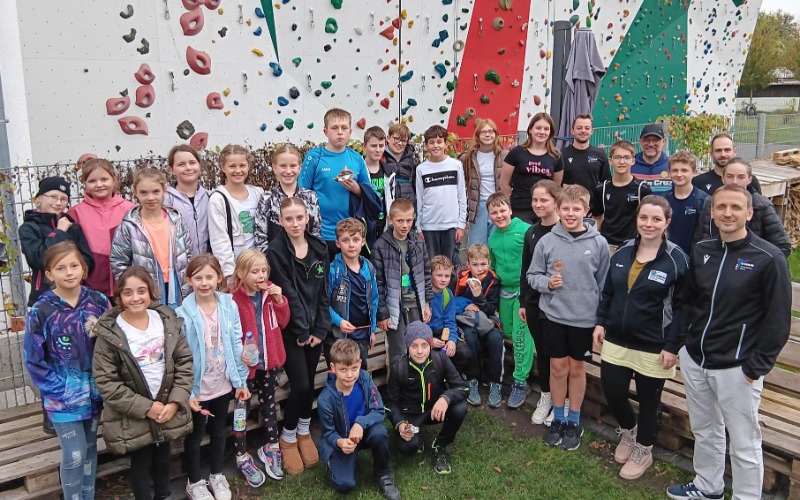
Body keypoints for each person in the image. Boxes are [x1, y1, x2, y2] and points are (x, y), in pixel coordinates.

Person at [666, 185, 791, 500]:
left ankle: (746, 496)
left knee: (744, 441)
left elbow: (778, 321)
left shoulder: (769, 258)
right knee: (705, 430)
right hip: (697, 359)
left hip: (737, 368)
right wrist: (682, 345)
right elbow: (689, 303)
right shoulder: (703, 249)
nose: (727, 213)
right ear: (712, 212)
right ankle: (708, 486)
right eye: (721, 207)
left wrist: (754, 368)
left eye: (736, 207)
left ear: (749, 213)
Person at [593, 196, 689, 480]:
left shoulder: (676, 259)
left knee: (649, 401)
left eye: (656, 219)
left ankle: (643, 450)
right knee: (613, 391)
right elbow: (608, 291)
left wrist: (672, 345)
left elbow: (683, 308)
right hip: (616, 340)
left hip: (654, 346)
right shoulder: (623, 251)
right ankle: (628, 431)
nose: (649, 224)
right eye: (644, 218)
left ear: (667, 222)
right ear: (637, 219)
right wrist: (600, 322)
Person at [93, 266, 193, 500]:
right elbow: (107, 382)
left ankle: (164, 495)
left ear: (151, 292)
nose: (135, 297)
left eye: (141, 291)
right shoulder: (111, 334)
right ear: (118, 297)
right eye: (128, 293)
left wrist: (176, 401)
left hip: (167, 404)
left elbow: (184, 363)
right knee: (141, 461)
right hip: (135, 412)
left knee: (164, 456)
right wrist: (147, 408)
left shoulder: (166, 322)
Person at [24, 242, 111, 500]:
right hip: (62, 399)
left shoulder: (99, 302)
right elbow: (33, 358)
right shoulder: (41, 310)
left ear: (83, 269)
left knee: (90, 448)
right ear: (49, 274)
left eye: (74, 265)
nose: (69, 272)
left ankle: (88, 495)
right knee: (74, 454)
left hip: (95, 393)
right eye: (60, 268)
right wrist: (59, 389)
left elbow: (111, 346)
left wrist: (105, 384)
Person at [528, 184, 610, 451]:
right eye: (566, 208)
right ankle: (558, 419)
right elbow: (532, 275)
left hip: (583, 319)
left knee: (576, 369)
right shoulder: (547, 241)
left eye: (577, 209)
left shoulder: (598, 243)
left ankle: (574, 420)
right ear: (558, 209)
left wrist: (600, 319)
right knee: (557, 368)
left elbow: (604, 285)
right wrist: (546, 284)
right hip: (554, 316)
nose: (571, 213)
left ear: (587, 210)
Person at [177, 254, 252, 498]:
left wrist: (240, 381)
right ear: (189, 280)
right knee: (196, 434)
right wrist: (188, 392)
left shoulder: (229, 305)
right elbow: (181, 355)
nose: (204, 282)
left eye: (209, 276)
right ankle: (195, 481)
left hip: (222, 382)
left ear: (219, 277)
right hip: (198, 387)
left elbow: (237, 343)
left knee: (219, 430)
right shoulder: (183, 313)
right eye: (198, 278)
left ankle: (217, 475)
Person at [266, 197, 331, 475]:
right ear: (281, 221)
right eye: (288, 219)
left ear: (308, 218)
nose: (294, 223)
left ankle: (304, 431)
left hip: (314, 331)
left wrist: (319, 329)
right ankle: (288, 436)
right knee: (301, 386)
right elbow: (288, 293)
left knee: (311, 383)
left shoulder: (319, 247)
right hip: (292, 332)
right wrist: (303, 331)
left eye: (299, 218)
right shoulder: (275, 252)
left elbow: (323, 291)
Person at [230, 249, 289, 484]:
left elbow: (283, 322)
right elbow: (229, 333)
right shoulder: (233, 298)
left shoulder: (270, 293)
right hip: (245, 369)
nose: (261, 275)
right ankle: (241, 455)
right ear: (241, 274)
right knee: (241, 411)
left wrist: (280, 301)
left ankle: (271, 448)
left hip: (268, 363)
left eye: (264, 270)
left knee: (269, 406)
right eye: (255, 271)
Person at [318, 339, 401, 499]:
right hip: (343, 441)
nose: (350, 375)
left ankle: (383, 473)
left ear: (360, 364)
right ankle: (333, 462)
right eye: (343, 369)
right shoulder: (325, 399)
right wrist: (339, 442)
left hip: (363, 433)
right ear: (333, 368)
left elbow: (378, 410)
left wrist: (360, 423)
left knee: (380, 432)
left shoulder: (364, 379)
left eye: (354, 368)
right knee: (345, 485)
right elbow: (328, 433)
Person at [385, 321, 469, 475]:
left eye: (424, 345)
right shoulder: (399, 368)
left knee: (460, 409)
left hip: (435, 411)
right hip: (411, 415)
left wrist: (445, 398)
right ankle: (416, 439)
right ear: (407, 347)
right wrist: (400, 423)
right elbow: (390, 403)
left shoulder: (440, 360)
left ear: (430, 345)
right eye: (414, 346)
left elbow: (463, 387)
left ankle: (440, 446)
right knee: (407, 448)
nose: (419, 351)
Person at [110, 167, 193, 308]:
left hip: (177, 285)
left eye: (156, 192)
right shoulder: (129, 225)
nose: (150, 198)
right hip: (145, 290)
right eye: (143, 192)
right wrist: (132, 289)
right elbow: (119, 262)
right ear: (135, 192)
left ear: (164, 190)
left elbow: (189, 252)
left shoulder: (176, 220)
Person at [298, 108, 371, 258]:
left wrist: (356, 188)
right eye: (334, 128)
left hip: (349, 236)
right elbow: (301, 193)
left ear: (350, 131)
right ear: (325, 131)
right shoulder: (314, 157)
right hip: (320, 233)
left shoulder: (357, 158)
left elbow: (370, 194)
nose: (340, 132)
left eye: (344, 128)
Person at [519, 180, 562, 425]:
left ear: (556, 201)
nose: (538, 204)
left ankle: (561, 400)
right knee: (543, 351)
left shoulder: (564, 230)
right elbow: (525, 269)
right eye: (535, 200)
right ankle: (546, 395)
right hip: (535, 303)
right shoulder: (532, 232)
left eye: (544, 199)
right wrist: (523, 301)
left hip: (558, 305)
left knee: (559, 353)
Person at [487, 192, 533, 408]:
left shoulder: (525, 231)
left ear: (511, 210)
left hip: (524, 293)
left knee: (521, 334)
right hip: (504, 292)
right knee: (506, 333)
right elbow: (493, 268)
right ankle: (509, 374)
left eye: (502, 210)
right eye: (494, 212)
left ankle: (520, 381)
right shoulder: (493, 237)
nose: (499, 215)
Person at [373, 198, 432, 365]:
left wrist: (427, 303)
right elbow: (378, 283)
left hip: (416, 305)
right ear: (390, 220)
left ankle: (416, 387)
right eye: (400, 221)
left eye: (409, 220)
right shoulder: (380, 246)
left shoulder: (419, 243)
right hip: (394, 309)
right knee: (398, 353)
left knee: (418, 348)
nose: (405, 225)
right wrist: (383, 314)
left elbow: (426, 273)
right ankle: (397, 389)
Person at [20, 176, 95, 307]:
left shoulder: (73, 227)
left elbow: (88, 260)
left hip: (76, 297)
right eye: (53, 197)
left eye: (63, 199)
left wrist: (73, 270)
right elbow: (37, 259)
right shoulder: (29, 228)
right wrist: (59, 232)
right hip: (43, 298)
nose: (58, 203)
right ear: (39, 199)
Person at [693, 158, 791, 256]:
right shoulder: (711, 203)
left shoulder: (762, 206)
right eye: (730, 176)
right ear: (723, 179)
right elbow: (700, 239)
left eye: (741, 177)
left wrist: (756, 264)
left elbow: (782, 245)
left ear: (749, 179)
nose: (735, 182)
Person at [67, 159, 136, 300]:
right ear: (85, 184)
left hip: (126, 282)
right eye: (92, 181)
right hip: (91, 283)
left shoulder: (130, 209)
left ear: (114, 180)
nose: (99, 185)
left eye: (104, 179)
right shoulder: (76, 213)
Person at [452, 244, 504, 408]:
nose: (480, 268)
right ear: (468, 264)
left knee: (496, 338)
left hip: (486, 321)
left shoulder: (493, 281)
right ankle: (472, 379)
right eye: (475, 264)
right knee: (470, 337)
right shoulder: (460, 277)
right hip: (466, 320)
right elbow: (451, 301)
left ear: (489, 263)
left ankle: (495, 382)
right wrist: (466, 305)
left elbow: (490, 309)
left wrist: (478, 296)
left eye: (483, 264)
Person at [209, 144, 264, 285]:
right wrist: (229, 275)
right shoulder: (218, 198)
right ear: (223, 167)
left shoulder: (258, 193)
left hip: (258, 268)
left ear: (248, 166)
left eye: (242, 165)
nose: (238, 170)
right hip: (235, 269)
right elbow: (219, 240)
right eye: (232, 166)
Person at [328, 218, 379, 368]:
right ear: (338, 243)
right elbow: (324, 304)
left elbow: (374, 300)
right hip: (341, 335)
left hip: (363, 333)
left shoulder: (369, 268)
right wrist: (339, 321)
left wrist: (373, 330)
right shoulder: (333, 271)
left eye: (355, 239)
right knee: (342, 373)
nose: (351, 244)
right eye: (346, 240)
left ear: (363, 241)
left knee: (361, 370)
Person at [254, 144, 321, 254]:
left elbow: (316, 232)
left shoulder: (310, 197)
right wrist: (272, 261)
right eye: (283, 166)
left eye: (293, 166)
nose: (288, 171)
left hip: (306, 261)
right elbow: (260, 237)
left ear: (300, 167)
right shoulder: (267, 199)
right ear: (274, 168)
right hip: (276, 263)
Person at [415, 125, 467, 262]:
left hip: (451, 226)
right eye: (431, 142)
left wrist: (461, 225)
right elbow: (419, 199)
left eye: (439, 142)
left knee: (450, 265)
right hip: (429, 226)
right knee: (432, 265)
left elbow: (462, 196)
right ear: (426, 145)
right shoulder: (421, 169)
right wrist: (419, 227)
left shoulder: (455, 165)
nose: (435, 146)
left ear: (446, 143)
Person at [500, 112, 564, 224]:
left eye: (546, 129)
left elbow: (556, 187)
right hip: (519, 209)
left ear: (550, 132)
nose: (542, 132)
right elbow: (504, 183)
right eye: (538, 128)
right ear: (530, 130)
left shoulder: (556, 156)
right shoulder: (517, 153)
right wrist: (509, 202)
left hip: (545, 212)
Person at [592, 140, 653, 253]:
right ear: (610, 161)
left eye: (626, 157)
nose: (622, 161)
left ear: (633, 161)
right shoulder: (602, 188)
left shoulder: (642, 189)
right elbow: (597, 218)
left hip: (633, 245)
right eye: (617, 157)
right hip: (606, 245)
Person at [461, 118, 509, 246]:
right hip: (478, 206)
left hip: (498, 204)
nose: (487, 135)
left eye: (490, 131)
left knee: (497, 245)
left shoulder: (505, 155)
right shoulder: (468, 157)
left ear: (496, 134)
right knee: (476, 246)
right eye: (483, 132)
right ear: (478, 135)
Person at [165, 144, 211, 256]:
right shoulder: (165, 200)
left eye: (192, 162)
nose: (188, 168)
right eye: (181, 164)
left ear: (199, 166)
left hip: (208, 265)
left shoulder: (210, 197)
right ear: (172, 170)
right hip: (179, 266)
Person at [561, 114, 610, 209]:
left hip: (593, 210)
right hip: (569, 209)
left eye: (587, 128)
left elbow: (606, 184)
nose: (583, 131)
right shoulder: (562, 155)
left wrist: (598, 209)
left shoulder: (600, 154)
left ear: (592, 131)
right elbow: (557, 186)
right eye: (579, 128)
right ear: (572, 131)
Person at [665, 151, 709, 254]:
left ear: (694, 172)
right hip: (667, 256)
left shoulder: (704, 201)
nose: (679, 174)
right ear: (669, 173)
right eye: (675, 170)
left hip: (693, 256)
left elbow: (705, 234)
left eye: (684, 170)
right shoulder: (663, 200)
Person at [692, 133, 762, 196]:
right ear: (711, 154)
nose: (723, 154)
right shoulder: (699, 182)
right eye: (718, 150)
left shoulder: (750, 181)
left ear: (734, 152)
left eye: (727, 150)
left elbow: (760, 206)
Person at [383, 123, 418, 210]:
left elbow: (415, 183)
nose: (400, 143)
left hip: (408, 203)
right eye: (396, 139)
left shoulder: (411, 158)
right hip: (388, 203)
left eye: (403, 140)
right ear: (388, 138)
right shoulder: (381, 156)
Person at [363, 126, 389, 236]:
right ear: (364, 146)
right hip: (365, 224)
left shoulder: (389, 171)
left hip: (384, 224)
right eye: (373, 146)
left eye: (381, 146)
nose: (378, 150)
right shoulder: (359, 171)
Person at [631, 124, 671, 196]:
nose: (651, 144)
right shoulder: (630, 165)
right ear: (640, 141)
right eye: (646, 140)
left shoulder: (672, 165)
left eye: (655, 140)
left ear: (664, 141)